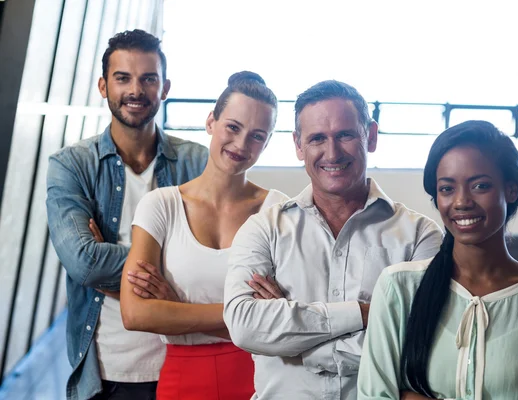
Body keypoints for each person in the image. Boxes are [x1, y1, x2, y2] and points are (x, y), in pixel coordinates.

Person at [223, 80, 444, 399]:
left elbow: (420, 342)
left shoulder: (420, 236)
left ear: (370, 136)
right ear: (299, 145)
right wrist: (365, 314)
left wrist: (296, 345)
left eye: (345, 135)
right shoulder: (264, 230)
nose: (332, 152)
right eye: (317, 139)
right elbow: (245, 325)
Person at [357, 120, 518, 400]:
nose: (462, 201)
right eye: (447, 189)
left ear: (511, 190)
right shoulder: (399, 287)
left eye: (480, 185)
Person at [46, 29, 208, 400]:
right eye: (123, 78)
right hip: (109, 370)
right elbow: (84, 262)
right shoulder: (71, 166)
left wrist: (112, 262)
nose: (136, 90)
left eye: (148, 78)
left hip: (186, 360)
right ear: (104, 86)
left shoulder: (198, 163)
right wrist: (174, 263)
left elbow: (224, 261)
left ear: (164, 87)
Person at [119, 71, 288, 399]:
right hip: (183, 380)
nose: (241, 144)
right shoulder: (161, 205)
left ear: (267, 143)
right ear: (211, 121)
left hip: (267, 378)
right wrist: (246, 313)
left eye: (257, 136)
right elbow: (135, 313)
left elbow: (288, 319)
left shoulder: (279, 210)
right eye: (233, 127)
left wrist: (175, 308)